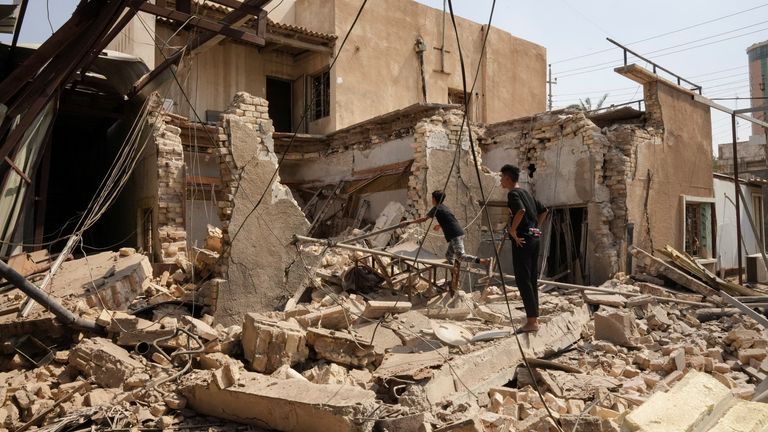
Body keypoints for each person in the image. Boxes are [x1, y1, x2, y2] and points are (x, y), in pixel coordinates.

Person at [500, 164, 548, 333]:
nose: (500, 181)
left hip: (523, 240)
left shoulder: (513, 194)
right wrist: (537, 228)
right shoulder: (526, 193)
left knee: (523, 279)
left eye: (501, 177)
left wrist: (512, 231)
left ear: (507, 178)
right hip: (534, 238)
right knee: (531, 278)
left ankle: (532, 322)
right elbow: (544, 210)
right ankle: (534, 318)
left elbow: (520, 210)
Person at [400, 190, 491, 267]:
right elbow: (450, 219)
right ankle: (454, 277)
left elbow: (424, 219)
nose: (431, 200)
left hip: (455, 234)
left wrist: (408, 222)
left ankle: (482, 261)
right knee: (449, 256)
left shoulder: (436, 208)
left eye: (432, 198)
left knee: (460, 256)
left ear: (434, 199)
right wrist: (440, 225)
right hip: (456, 233)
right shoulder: (444, 207)